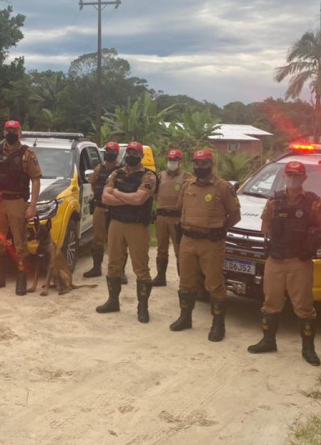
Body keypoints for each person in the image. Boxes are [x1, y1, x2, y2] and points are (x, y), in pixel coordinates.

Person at [248, 161, 321, 365]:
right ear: (285, 177)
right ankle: (268, 341)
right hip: (276, 260)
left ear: (304, 178)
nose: (293, 179)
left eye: (297, 175)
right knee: (271, 302)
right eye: (290, 175)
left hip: (299, 262)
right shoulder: (274, 202)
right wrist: (273, 238)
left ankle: (308, 349)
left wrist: (311, 245)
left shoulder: (314, 203)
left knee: (303, 306)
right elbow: (265, 224)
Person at [170, 149, 242, 341]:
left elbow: (235, 215)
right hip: (188, 240)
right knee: (186, 281)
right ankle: (185, 318)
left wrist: (220, 227)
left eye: (204, 163)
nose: (200, 167)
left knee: (214, 284)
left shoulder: (223, 187)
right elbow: (180, 207)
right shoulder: (187, 185)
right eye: (197, 163)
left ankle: (218, 325)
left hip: (211, 242)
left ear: (212, 164)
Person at [95, 142, 157, 323]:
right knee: (113, 263)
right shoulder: (117, 173)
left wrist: (116, 192)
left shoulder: (148, 176)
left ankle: (142, 307)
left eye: (135, 153)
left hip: (137, 226)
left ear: (140, 155)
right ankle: (113, 301)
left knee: (141, 267)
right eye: (129, 152)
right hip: (116, 223)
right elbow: (105, 198)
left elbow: (139, 199)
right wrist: (127, 198)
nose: (131, 155)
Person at [0, 121, 42, 295]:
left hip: (17, 201)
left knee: (20, 241)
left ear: (20, 132)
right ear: (4, 131)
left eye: (14, 130)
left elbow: (35, 179)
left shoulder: (27, 154)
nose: (11, 133)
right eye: (8, 130)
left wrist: (33, 205)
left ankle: (21, 279)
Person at [152, 149, 193, 287]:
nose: (172, 163)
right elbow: (154, 194)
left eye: (175, 160)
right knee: (161, 247)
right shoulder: (160, 176)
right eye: (170, 160)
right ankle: (160, 277)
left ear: (180, 162)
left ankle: (184, 280)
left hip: (177, 218)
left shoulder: (187, 177)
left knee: (179, 249)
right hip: (161, 217)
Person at [83, 141, 121, 279]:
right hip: (100, 207)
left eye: (111, 152)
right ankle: (96, 268)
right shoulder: (99, 168)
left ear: (116, 154)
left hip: (116, 210)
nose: (108, 154)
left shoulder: (121, 170)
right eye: (107, 152)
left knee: (117, 241)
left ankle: (119, 272)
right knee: (97, 239)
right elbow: (93, 184)